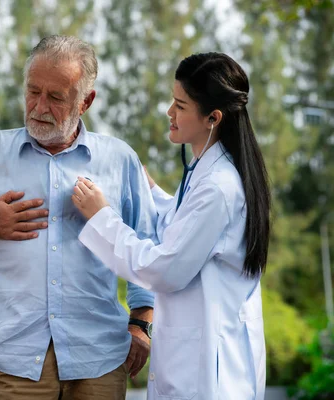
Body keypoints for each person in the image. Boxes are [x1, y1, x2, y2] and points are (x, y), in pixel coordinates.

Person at [0, 35, 156, 399]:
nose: (39, 106)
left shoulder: (120, 160)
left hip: (99, 359)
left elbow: (146, 248)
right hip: (13, 362)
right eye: (33, 91)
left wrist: (141, 325)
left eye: (55, 97)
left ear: (86, 101)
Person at [73, 52, 270, 400]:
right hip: (196, 364)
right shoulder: (207, 172)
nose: (170, 112)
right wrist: (146, 186)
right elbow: (181, 222)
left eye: (180, 105)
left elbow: (164, 269)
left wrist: (101, 216)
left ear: (213, 117)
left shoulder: (218, 187)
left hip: (210, 378)